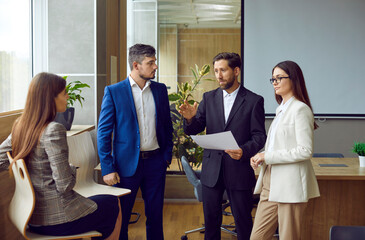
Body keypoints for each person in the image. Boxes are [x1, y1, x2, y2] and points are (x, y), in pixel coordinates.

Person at [0, 72, 121, 240]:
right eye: (64, 93)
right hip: (58, 220)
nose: (68, 96)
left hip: (29, 217)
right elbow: (64, 185)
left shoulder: (20, 126)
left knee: (101, 201)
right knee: (114, 204)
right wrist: (72, 167)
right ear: (51, 98)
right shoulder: (53, 130)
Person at [179, 52, 266, 240]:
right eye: (216, 70)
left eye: (223, 70)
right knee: (211, 222)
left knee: (243, 221)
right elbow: (195, 128)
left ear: (236, 71)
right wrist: (189, 119)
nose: (218, 75)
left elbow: (259, 136)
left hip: (239, 169)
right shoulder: (208, 98)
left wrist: (244, 151)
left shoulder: (254, 100)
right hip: (212, 171)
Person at [97, 43, 173, 240]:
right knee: (121, 218)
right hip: (124, 167)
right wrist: (107, 168)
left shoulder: (160, 90)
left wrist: (166, 156)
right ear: (136, 65)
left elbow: (166, 125)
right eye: (150, 63)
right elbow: (103, 132)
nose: (155, 66)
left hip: (156, 163)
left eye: (155, 62)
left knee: (155, 216)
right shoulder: (114, 91)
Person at [250, 60, 320, 240]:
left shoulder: (300, 109)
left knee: (289, 237)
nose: (275, 82)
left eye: (279, 78)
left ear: (293, 79)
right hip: (269, 181)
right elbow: (276, 145)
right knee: (257, 237)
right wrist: (261, 156)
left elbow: (305, 150)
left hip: (290, 184)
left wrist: (268, 155)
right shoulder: (280, 109)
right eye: (273, 79)